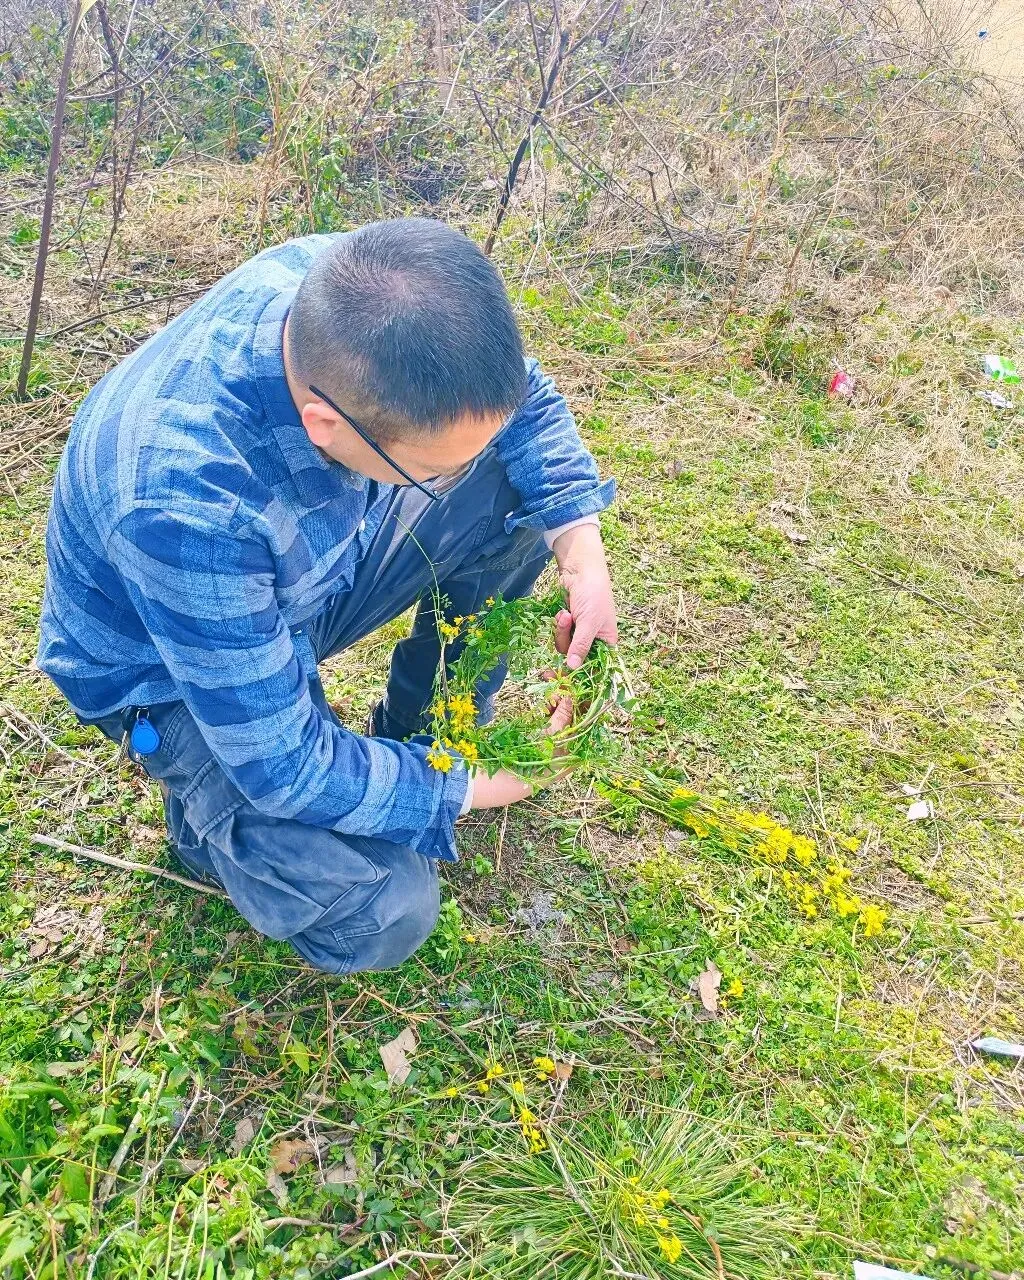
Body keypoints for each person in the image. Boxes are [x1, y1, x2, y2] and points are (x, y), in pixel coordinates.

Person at [36, 217, 617, 974]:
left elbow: (520, 402)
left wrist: (581, 553)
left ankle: (429, 732)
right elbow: (288, 768)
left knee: (518, 490)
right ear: (325, 424)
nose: (447, 482)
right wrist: (479, 788)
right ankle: (208, 822)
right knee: (385, 911)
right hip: (170, 671)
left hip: (297, 579)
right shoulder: (184, 506)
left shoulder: (362, 289)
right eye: (431, 474)